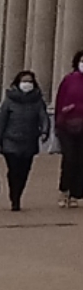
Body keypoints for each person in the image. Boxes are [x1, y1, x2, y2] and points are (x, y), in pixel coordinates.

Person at [0, 68, 49, 210]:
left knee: (24, 171)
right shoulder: (9, 101)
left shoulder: (37, 101)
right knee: (14, 170)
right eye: (24, 81)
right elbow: (1, 122)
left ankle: (18, 193)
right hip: (10, 142)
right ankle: (14, 197)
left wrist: (45, 131)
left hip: (29, 141)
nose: (27, 84)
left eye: (29, 81)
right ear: (18, 83)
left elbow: (44, 117)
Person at [56, 49, 83, 207]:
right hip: (67, 126)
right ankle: (64, 189)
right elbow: (60, 101)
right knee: (69, 158)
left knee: (81, 160)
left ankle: (76, 192)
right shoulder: (69, 80)